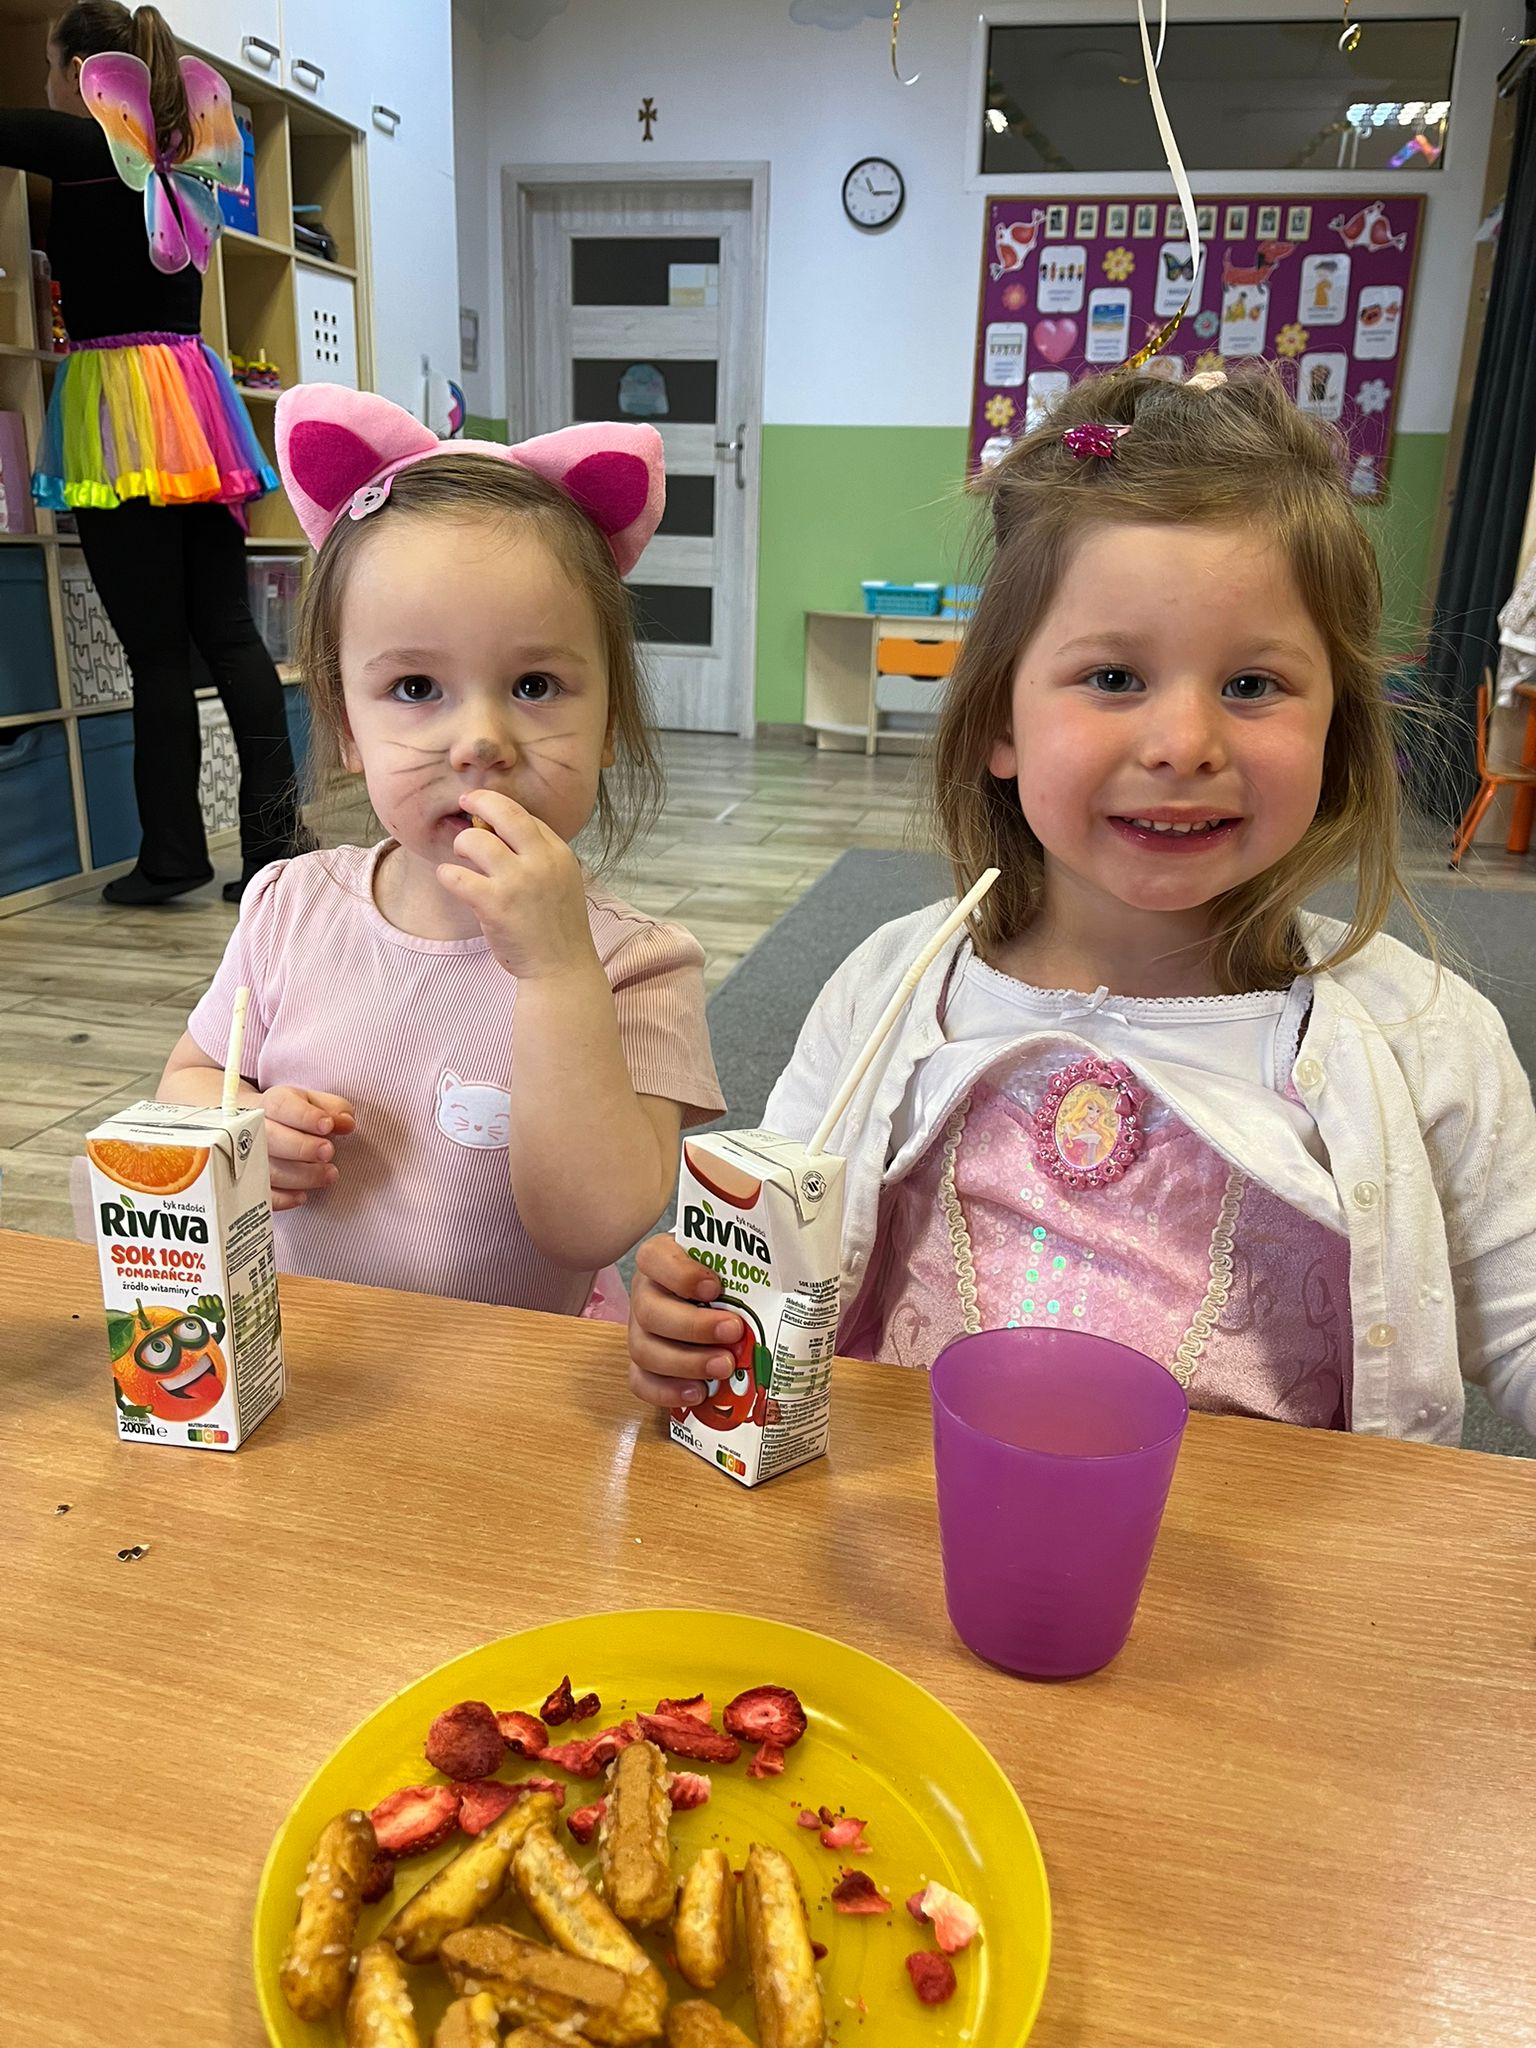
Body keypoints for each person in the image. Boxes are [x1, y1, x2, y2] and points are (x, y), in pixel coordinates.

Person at [627, 367, 1536, 1446]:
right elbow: (769, 1234)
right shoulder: (889, 988)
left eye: (1252, 685)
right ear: (1000, 722)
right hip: (902, 1526)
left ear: (1336, 731)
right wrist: (697, 1313)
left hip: (1262, 1553)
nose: (1184, 743)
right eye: (1113, 678)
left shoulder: (1423, 1037)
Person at [154, 384, 723, 1312]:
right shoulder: (287, 910)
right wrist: (242, 1124)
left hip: (517, 1377)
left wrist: (556, 971)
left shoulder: (639, 965)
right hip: (309, 1358)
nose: (481, 741)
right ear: (348, 726)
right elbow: (185, 1081)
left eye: (535, 684)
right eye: (417, 688)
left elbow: (592, 1228)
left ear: (611, 722)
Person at [0, 3, 304, 904]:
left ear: (80, 73)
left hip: (118, 415)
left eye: (51, 68)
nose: (48, 86)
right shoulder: (185, 147)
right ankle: (274, 851)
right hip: (198, 408)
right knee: (231, 632)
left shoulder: (81, 144)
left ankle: (171, 856)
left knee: (158, 656)